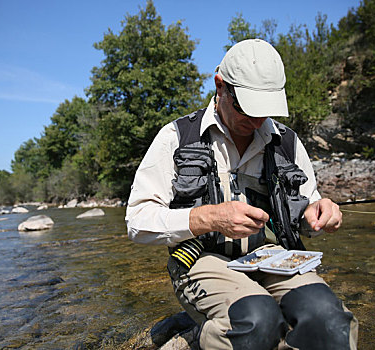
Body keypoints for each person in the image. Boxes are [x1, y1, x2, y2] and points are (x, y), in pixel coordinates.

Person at [126, 39, 358, 350]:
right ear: (220, 86)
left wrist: (318, 214)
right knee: (254, 321)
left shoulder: (286, 142)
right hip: (201, 260)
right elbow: (137, 222)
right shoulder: (176, 138)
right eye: (246, 108)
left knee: (328, 319)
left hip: (276, 260)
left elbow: (306, 208)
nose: (257, 120)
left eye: (266, 110)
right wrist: (208, 217)